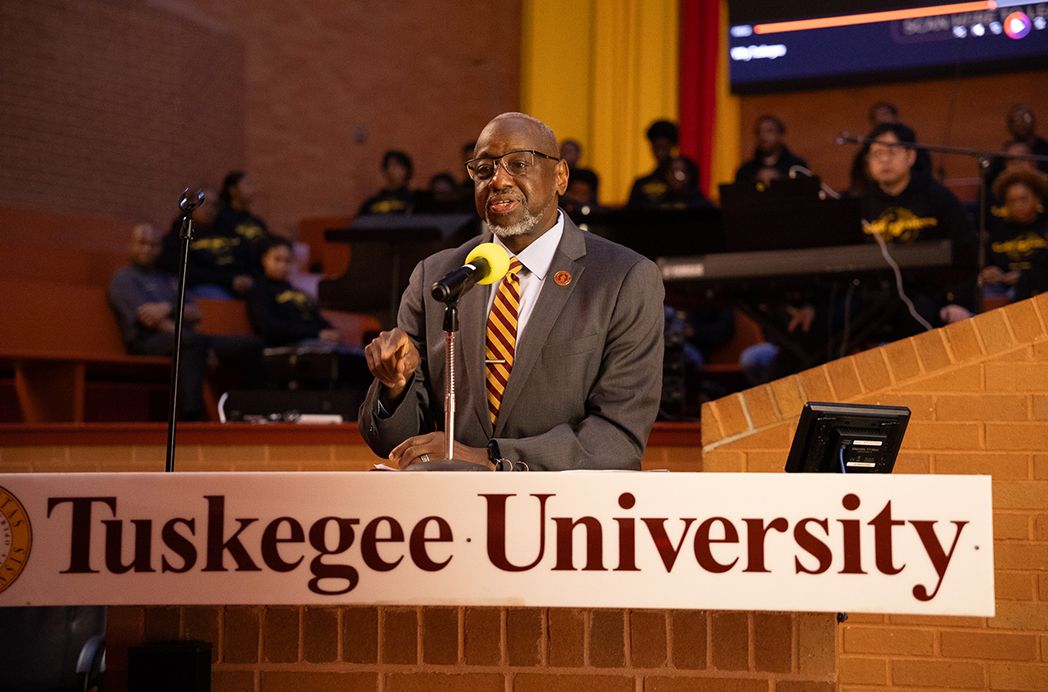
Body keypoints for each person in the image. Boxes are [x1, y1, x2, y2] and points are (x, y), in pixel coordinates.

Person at [358, 112, 665, 471]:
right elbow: (395, 443)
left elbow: (618, 437)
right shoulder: (437, 278)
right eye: (484, 169)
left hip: (572, 516)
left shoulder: (624, 278)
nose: (498, 180)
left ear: (560, 177)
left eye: (518, 164)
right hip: (454, 513)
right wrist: (396, 387)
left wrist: (491, 459)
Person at [109, 223, 264, 420]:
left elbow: (195, 313)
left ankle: (252, 411)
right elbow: (151, 322)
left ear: (161, 247)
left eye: (153, 244)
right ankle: (193, 417)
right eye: (142, 243)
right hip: (147, 342)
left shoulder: (170, 280)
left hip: (187, 340)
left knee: (252, 345)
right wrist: (193, 340)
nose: (147, 249)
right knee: (194, 343)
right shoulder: (124, 278)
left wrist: (168, 308)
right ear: (131, 244)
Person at [860, 122, 978, 337]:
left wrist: (960, 302)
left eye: (892, 152)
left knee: (917, 316)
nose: (884, 159)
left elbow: (966, 250)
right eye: (876, 154)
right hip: (876, 296)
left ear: (911, 156)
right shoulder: (861, 203)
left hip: (931, 294)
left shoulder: (939, 197)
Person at [159, 185, 257, 300]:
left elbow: (251, 263)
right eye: (203, 202)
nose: (210, 209)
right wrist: (229, 281)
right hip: (204, 290)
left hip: (239, 287)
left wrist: (249, 279)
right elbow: (187, 273)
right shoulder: (177, 236)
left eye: (214, 205)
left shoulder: (231, 234)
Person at [983, 168, 1048, 302]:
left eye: (1023, 199)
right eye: (1012, 201)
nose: (1018, 205)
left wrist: (1025, 277)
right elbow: (987, 262)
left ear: (1037, 199)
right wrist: (989, 272)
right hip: (1001, 287)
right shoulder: (998, 231)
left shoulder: (1045, 227)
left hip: (1038, 287)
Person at [735, 115, 808, 184]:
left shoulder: (797, 167)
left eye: (770, 131)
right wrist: (754, 180)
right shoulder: (745, 170)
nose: (763, 135)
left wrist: (780, 179)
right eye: (759, 132)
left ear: (780, 135)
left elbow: (805, 193)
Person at [214, 171, 271, 254]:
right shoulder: (221, 219)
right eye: (247, 185)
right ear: (232, 190)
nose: (252, 189)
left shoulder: (257, 222)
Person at [626, 120, 678, 208]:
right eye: (656, 147)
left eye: (663, 147)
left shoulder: (683, 182)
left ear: (672, 146)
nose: (659, 153)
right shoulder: (641, 184)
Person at [358, 150, 414, 215]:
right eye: (388, 165)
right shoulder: (371, 203)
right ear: (384, 170)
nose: (392, 169)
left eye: (397, 165)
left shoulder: (414, 200)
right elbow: (359, 223)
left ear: (406, 170)